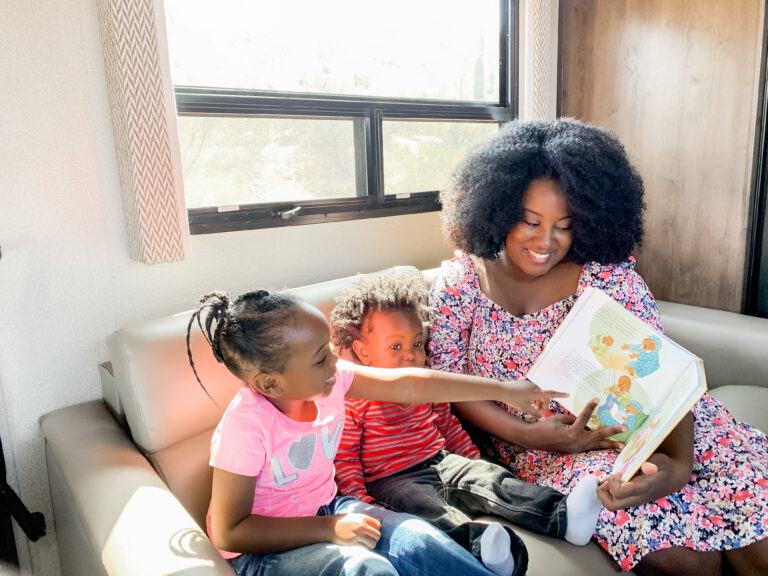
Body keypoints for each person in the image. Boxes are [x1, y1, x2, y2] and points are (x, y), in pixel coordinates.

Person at [427, 118, 768, 576]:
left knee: (759, 538)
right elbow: (454, 388)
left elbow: (663, 375)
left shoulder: (605, 276)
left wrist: (679, 465)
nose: (546, 242)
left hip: (668, 428)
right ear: (497, 208)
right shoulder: (460, 285)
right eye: (530, 222)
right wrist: (529, 434)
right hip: (552, 451)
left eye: (565, 227)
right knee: (685, 563)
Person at [186, 289, 563, 576]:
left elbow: (408, 385)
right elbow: (229, 532)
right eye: (321, 358)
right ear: (270, 384)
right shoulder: (245, 427)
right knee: (370, 571)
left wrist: (503, 389)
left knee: (418, 537)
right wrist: (328, 528)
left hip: (328, 508)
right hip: (264, 553)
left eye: (330, 349)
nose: (336, 361)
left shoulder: (330, 380)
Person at [330, 270, 604, 559]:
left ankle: (564, 517)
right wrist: (362, 504)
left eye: (416, 343)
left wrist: (474, 462)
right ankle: (481, 548)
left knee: (493, 480)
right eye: (395, 346)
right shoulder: (355, 401)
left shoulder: (428, 384)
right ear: (363, 352)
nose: (410, 355)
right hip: (393, 480)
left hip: (441, 461)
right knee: (429, 510)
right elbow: (346, 458)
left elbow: (448, 425)